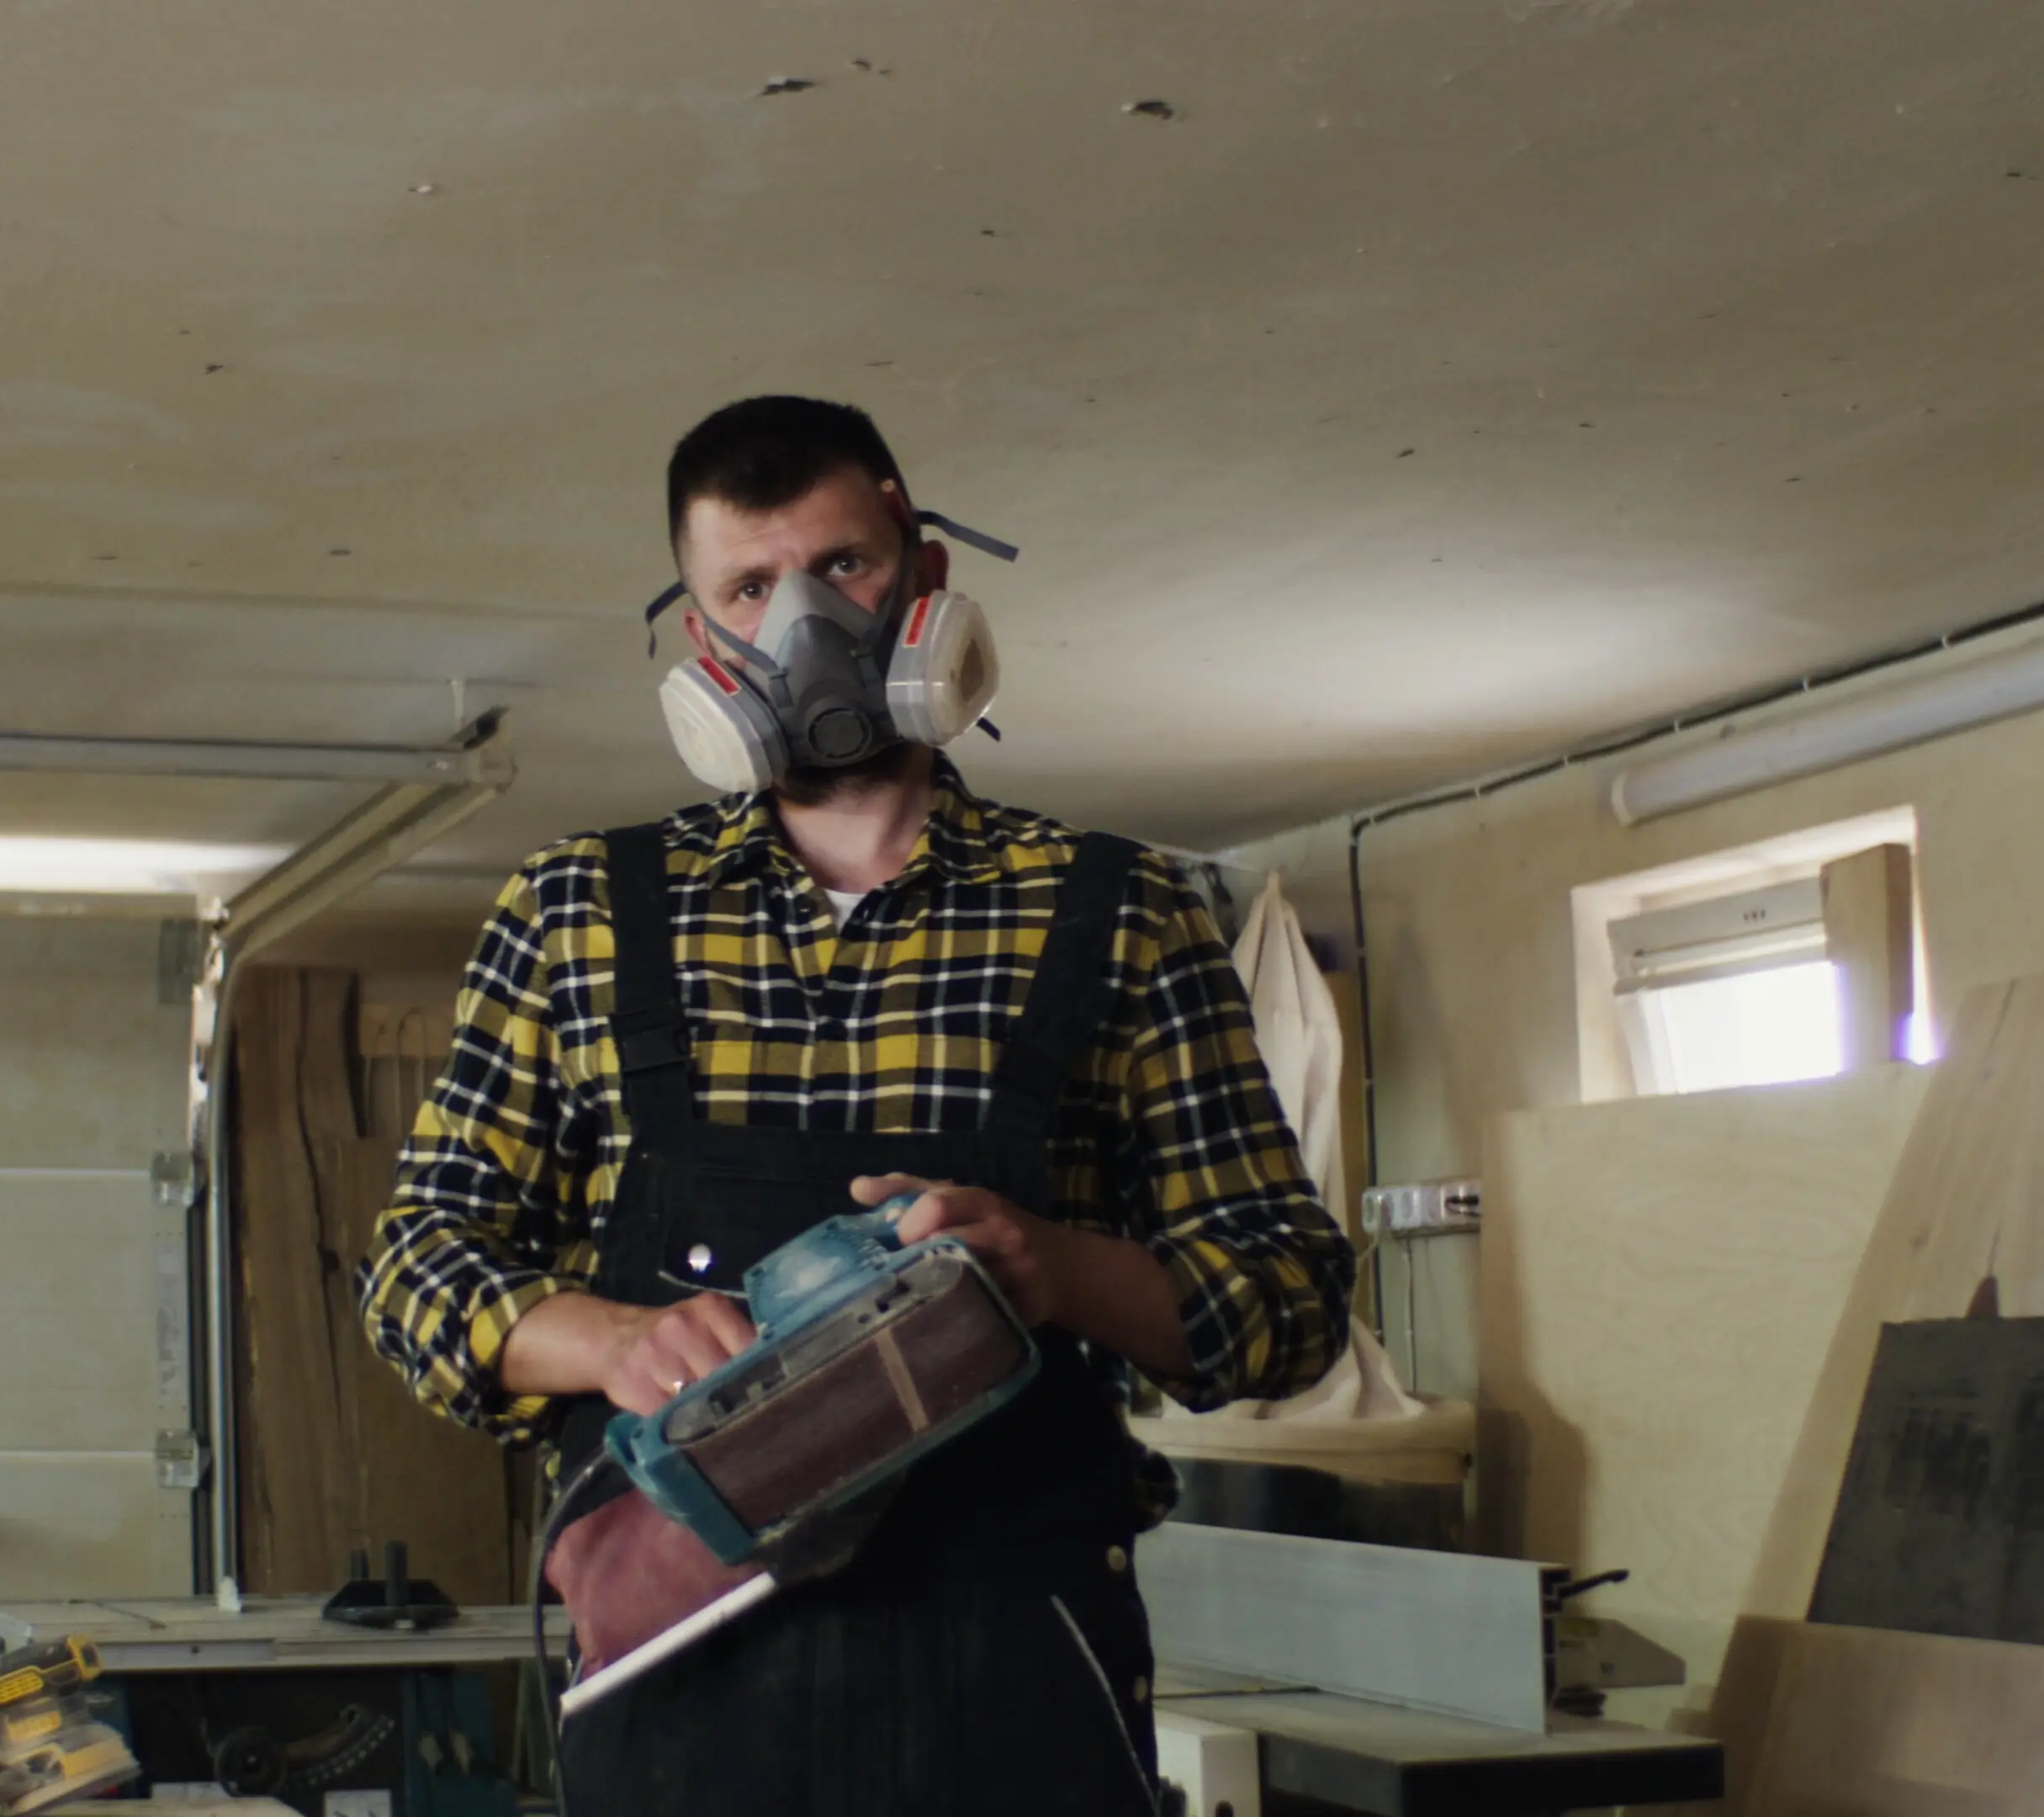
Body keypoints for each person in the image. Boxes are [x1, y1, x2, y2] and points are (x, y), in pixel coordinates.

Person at [360, 395, 1354, 1814]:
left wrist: (1052, 1267)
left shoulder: (1119, 908)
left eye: (845, 567)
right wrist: (614, 1339)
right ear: (701, 637)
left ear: (923, 573)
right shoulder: (579, 908)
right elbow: (414, 1268)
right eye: (749, 589)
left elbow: (1292, 1298)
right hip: (678, 1677)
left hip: (1014, 1680)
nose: (801, 624)